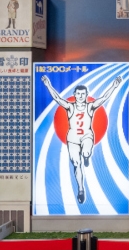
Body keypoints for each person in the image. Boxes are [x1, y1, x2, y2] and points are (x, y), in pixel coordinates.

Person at [41, 75, 123, 204]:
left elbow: (104, 98)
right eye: (78, 94)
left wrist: (114, 85)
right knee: (76, 164)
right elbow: (57, 98)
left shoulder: (90, 106)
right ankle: (80, 189)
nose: (80, 96)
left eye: (83, 94)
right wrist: (48, 85)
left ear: (86, 95)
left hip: (87, 136)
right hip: (72, 138)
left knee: (86, 152)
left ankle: (86, 156)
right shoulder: (70, 106)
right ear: (74, 94)